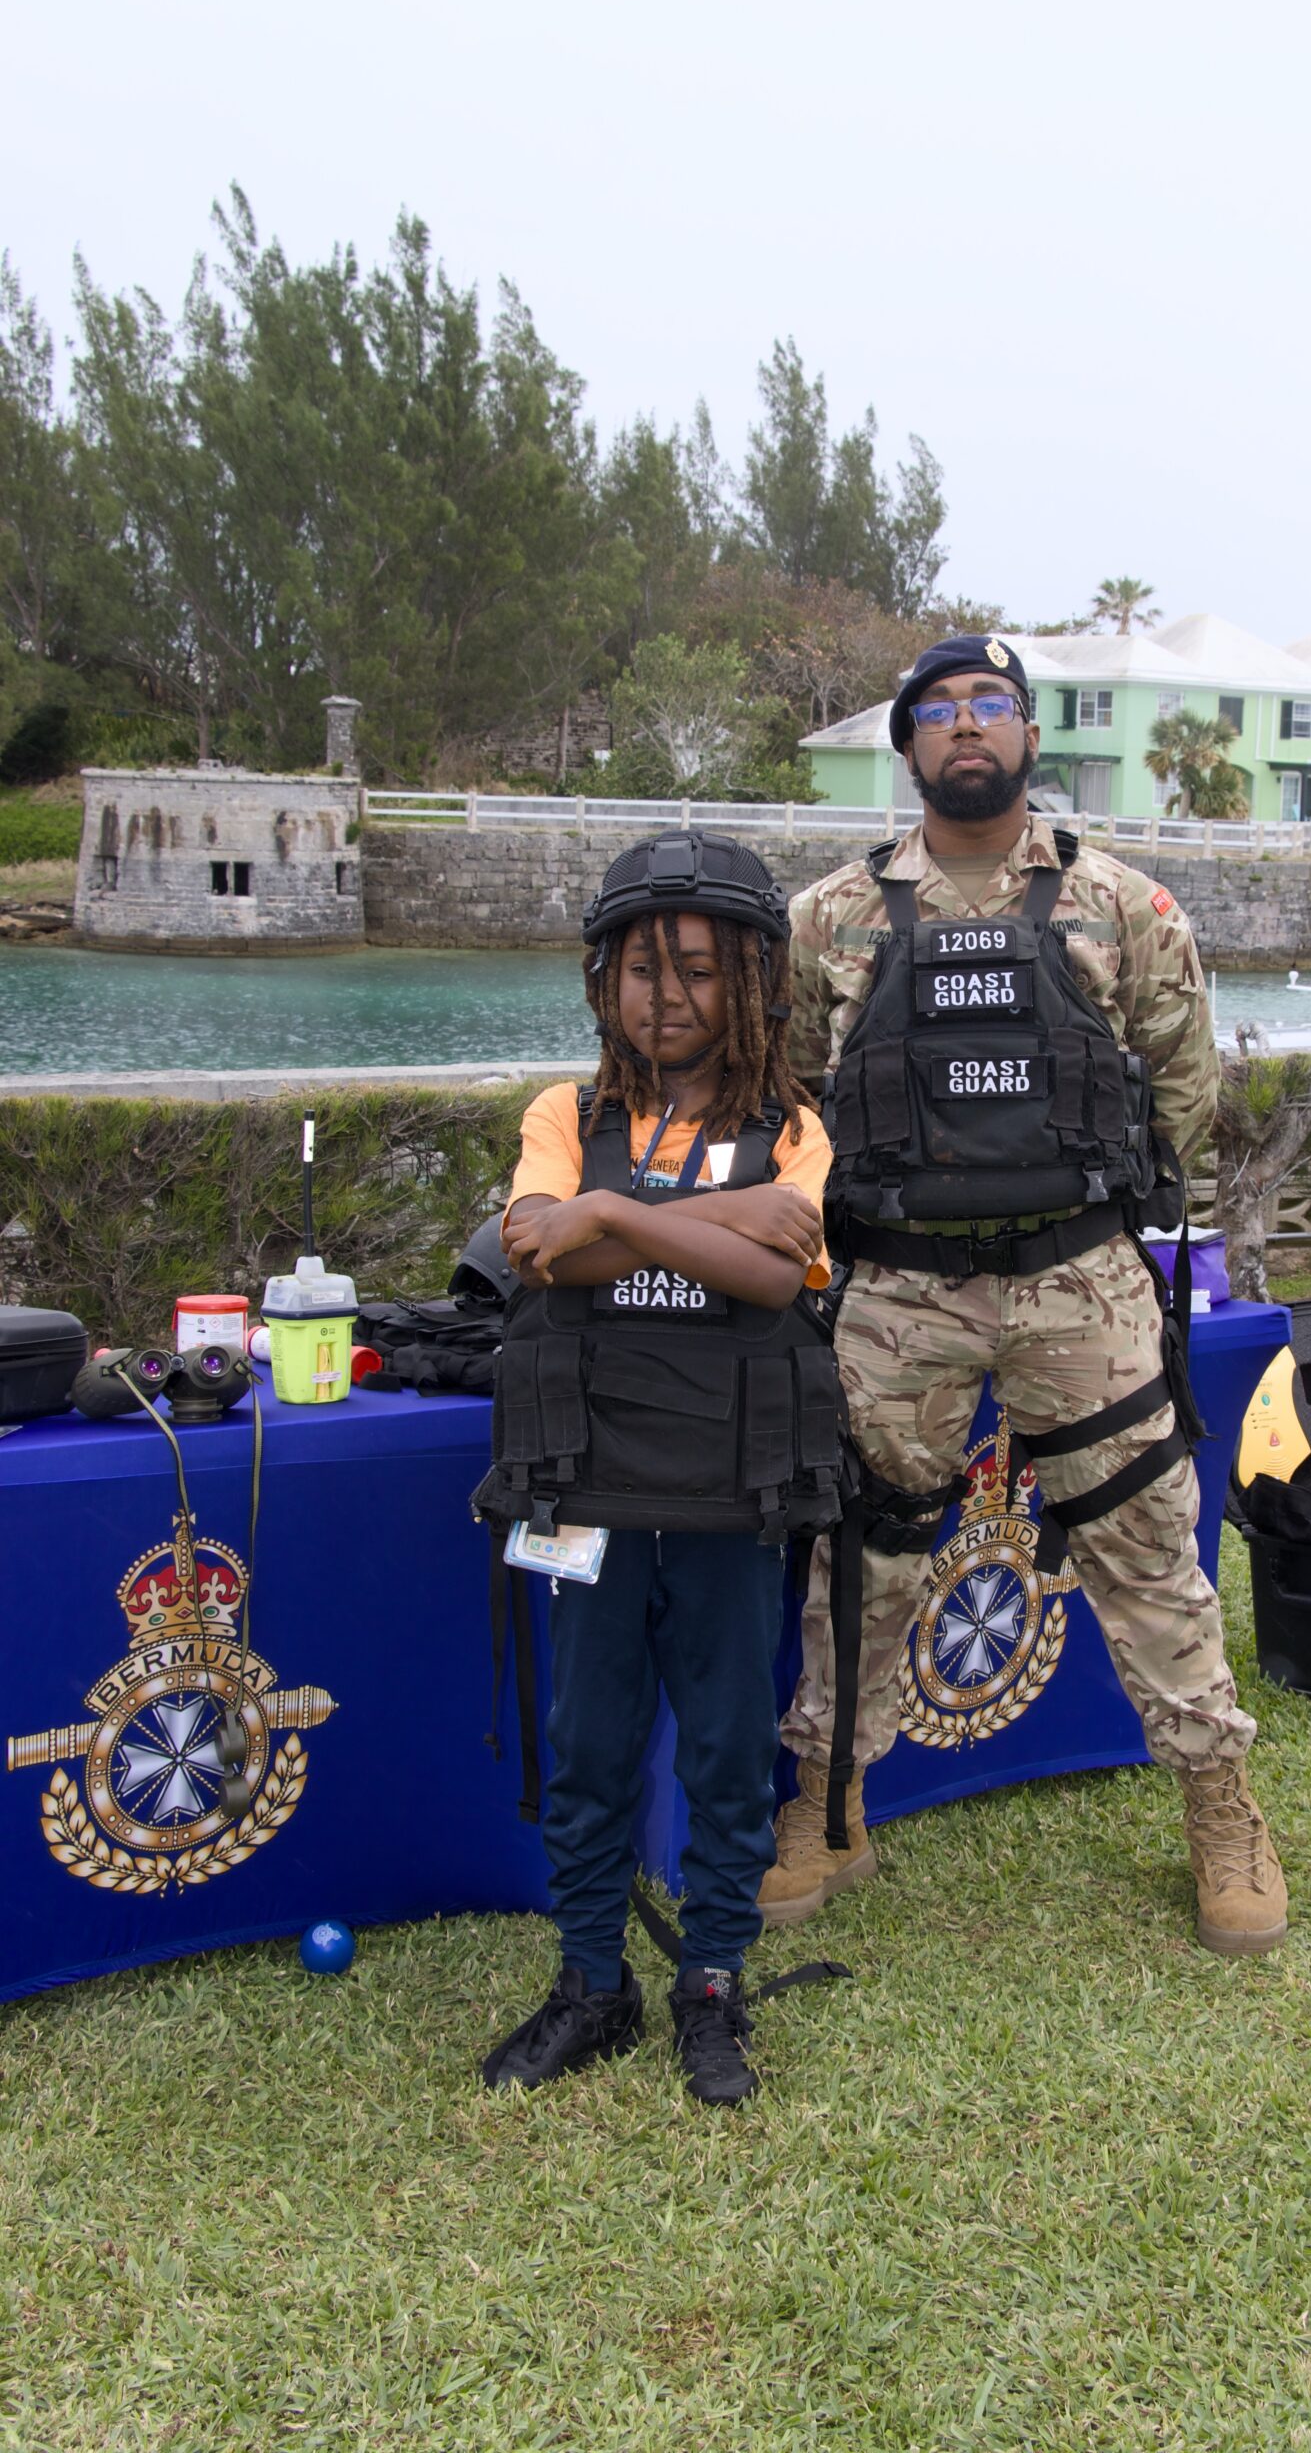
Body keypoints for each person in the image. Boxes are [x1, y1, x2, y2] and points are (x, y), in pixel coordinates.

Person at [760, 636, 1288, 1954]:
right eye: (936, 711)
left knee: (1146, 1547)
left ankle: (1220, 1806)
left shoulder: (1123, 905)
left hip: (1078, 1282)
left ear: (1028, 735)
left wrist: (1097, 1208)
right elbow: (795, 1091)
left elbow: (1183, 1084)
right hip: (897, 1290)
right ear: (908, 746)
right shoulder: (829, 918)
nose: (964, 726)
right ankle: (828, 1802)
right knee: (862, 1551)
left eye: (989, 704)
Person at [477, 832, 839, 2104]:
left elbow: (773, 1278)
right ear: (601, 982)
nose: (668, 995)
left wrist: (616, 1215)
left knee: (729, 1744)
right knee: (587, 1737)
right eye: (642, 969)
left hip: (732, 1487)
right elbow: (538, 1248)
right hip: (588, 1481)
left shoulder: (792, 1126)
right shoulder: (563, 1115)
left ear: (754, 980)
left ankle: (713, 1984)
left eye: (698, 967)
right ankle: (592, 1981)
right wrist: (700, 1223)